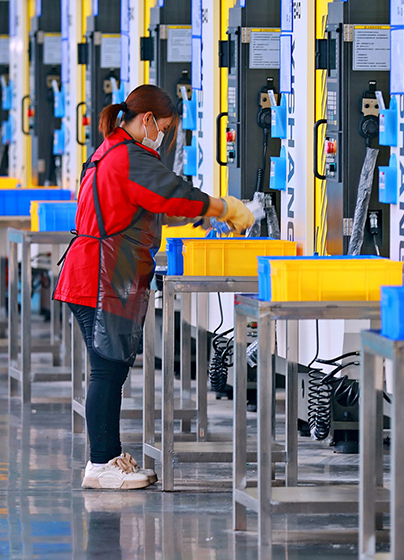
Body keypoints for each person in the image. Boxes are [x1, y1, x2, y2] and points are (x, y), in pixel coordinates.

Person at [54, 85, 255, 490]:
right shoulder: (128, 155)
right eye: (164, 127)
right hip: (102, 275)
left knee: (110, 368)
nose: (163, 136)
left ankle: (108, 459)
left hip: (105, 272)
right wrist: (222, 207)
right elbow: (171, 192)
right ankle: (100, 465)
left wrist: (198, 217)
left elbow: (149, 206)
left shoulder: (112, 150)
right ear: (147, 120)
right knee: (107, 371)